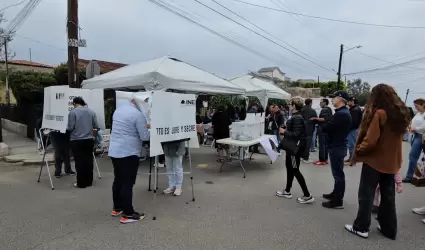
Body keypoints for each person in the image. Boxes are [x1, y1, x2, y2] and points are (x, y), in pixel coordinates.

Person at [344, 84, 410, 240]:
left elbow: (371, 140)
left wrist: (359, 149)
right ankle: (389, 228)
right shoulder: (401, 113)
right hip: (392, 161)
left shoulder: (379, 113)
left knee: (366, 194)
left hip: (374, 160)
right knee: (388, 196)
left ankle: (361, 227)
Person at [109, 98, 150, 224]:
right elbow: (144, 136)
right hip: (128, 151)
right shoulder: (138, 114)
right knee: (127, 183)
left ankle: (117, 208)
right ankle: (128, 214)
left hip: (115, 150)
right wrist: (149, 129)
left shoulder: (119, 110)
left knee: (118, 179)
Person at [275, 97, 314, 204]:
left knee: (295, 169)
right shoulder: (297, 116)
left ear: (294, 105)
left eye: (290, 104)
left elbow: (297, 134)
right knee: (290, 168)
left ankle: (307, 195)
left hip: (293, 149)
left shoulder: (297, 117)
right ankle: (287, 191)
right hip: (291, 148)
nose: (289, 106)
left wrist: (284, 131)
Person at [319, 91, 351, 209]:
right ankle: (335, 193)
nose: (331, 100)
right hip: (337, 145)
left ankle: (338, 200)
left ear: (341, 99)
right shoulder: (341, 112)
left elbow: (328, 127)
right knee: (337, 173)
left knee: (338, 174)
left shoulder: (341, 114)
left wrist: (323, 124)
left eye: (334, 98)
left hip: (337, 146)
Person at [67, 97, 98, 188]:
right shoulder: (91, 112)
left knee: (79, 162)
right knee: (88, 161)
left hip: (76, 140)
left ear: (74, 104)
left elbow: (70, 127)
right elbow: (96, 125)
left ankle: (81, 183)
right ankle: (89, 181)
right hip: (89, 140)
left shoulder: (73, 112)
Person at [403, 98, 425, 183]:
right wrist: (410, 127)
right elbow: (413, 122)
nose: (416, 108)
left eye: (417, 106)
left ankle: (410, 176)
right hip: (414, 135)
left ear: (423, 104)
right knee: (415, 157)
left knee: (413, 156)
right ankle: (414, 175)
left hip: (420, 136)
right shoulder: (418, 114)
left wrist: (415, 129)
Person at [313, 99, 333, 166]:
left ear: (324, 103)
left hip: (322, 129)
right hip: (327, 129)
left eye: (321, 102)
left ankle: (322, 160)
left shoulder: (324, 109)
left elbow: (324, 119)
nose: (320, 104)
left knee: (321, 145)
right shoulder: (329, 109)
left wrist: (315, 118)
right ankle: (325, 159)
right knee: (325, 145)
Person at [345, 97, 362, 165]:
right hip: (354, 129)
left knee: (352, 144)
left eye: (348, 101)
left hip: (352, 129)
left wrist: (348, 128)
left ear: (352, 101)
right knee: (353, 143)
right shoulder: (355, 109)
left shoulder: (355, 110)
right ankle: (354, 158)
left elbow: (353, 121)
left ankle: (352, 158)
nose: (348, 103)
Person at [300, 98, 318, 163]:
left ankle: (302, 156)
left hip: (302, 129)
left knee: (302, 143)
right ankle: (306, 158)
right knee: (308, 144)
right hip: (309, 129)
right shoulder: (312, 110)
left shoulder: (301, 109)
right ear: (310, 103)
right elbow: (316, 119)